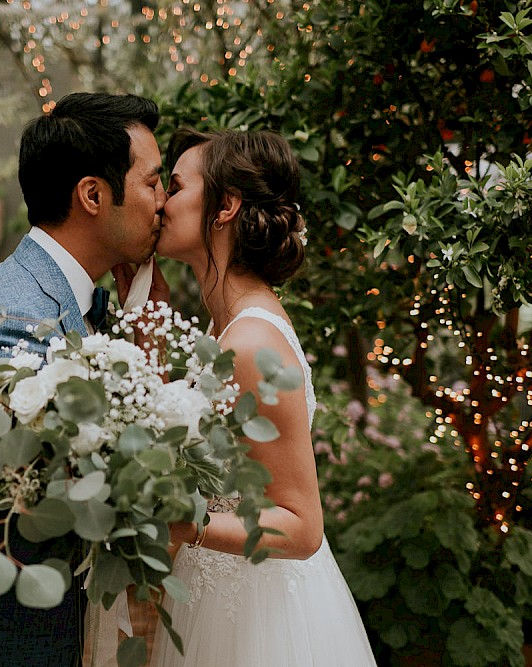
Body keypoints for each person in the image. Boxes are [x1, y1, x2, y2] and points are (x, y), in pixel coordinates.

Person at [0, 92, 168, 667]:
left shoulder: (77, 301)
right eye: (153, 182)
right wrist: (110, 518)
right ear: (93, 195)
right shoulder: (13, 323)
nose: (163, 202)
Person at [149, 128, 377, 666]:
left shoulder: (251, 343)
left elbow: (301, 527)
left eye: (176, 187)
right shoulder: (225, 326)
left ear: (224, 206)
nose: (160, 201)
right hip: (215, 596)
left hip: (259, 617)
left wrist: (183, 523)